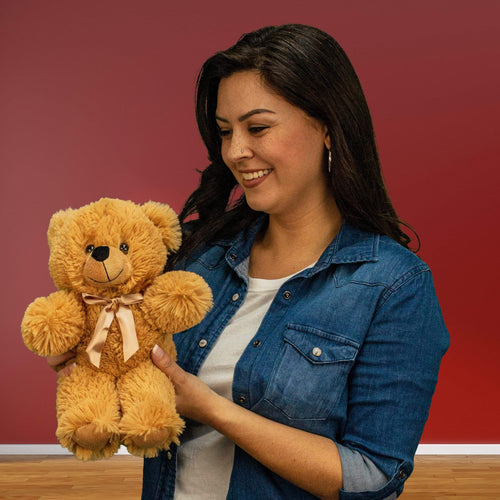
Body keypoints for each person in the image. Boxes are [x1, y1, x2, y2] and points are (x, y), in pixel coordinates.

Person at [51, 24, 449, 500]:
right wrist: (96, 358)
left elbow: (373, 476)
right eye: (225, 132)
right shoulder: (201, 261)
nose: (236, 151)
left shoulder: (393, 286)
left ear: (327, 126)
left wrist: (214, 409)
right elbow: (144, 388)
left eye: (257, 127)